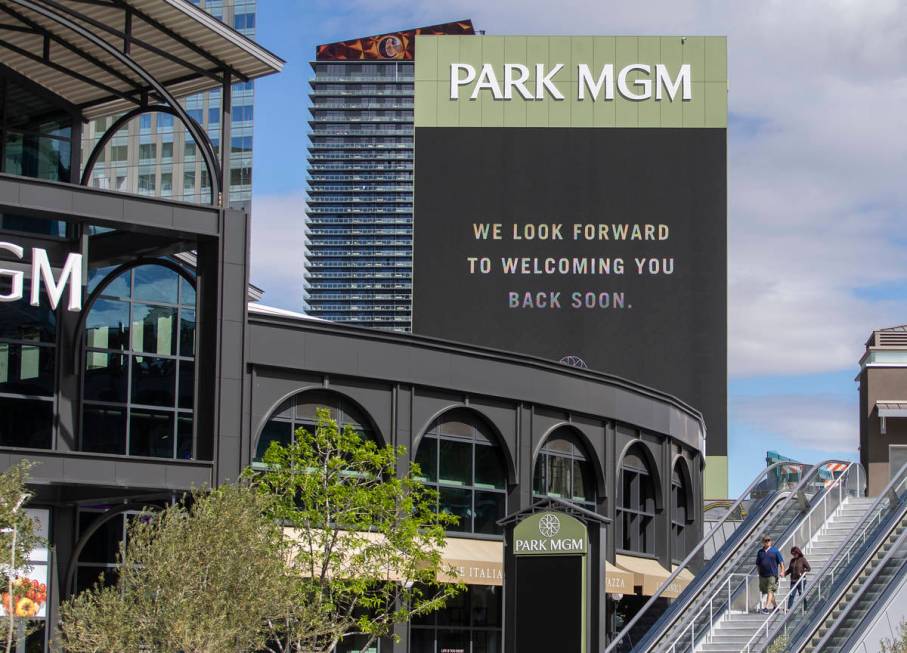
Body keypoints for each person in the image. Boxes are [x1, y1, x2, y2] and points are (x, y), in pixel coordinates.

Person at [756, 536, 785, 613]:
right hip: (763, 575)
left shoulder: (775, 551)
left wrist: (782, 571)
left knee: (770, 590)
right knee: (768, 592)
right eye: (766, 540)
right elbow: (758, 564)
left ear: (771, 542)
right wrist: (759, 573)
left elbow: (781, 562)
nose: (767, 542)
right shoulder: (760, 552)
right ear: (763, 542)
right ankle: (776, 607)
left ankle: (766, 608)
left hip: (772, 575)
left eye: (769, 540)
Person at [784, 546, 811, 610]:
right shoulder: (792, 560)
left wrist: (802, 572)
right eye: (792, 554)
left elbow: (809, 568)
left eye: (794, 554)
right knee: (791, 595)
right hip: (793, 580)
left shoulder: (802, 559)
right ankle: (789, 609)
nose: (794, 555)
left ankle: (805, 607)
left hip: (801, 580)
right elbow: (789, 570)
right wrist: (784, 574)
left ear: (798, 553)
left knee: (801, 594)